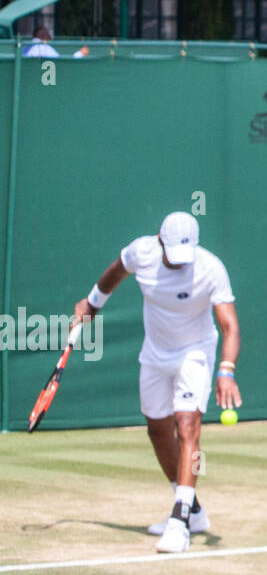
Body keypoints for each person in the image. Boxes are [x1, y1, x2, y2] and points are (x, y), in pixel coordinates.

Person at [71, 212, 240, 554]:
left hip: (195, 353)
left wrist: (226, 369)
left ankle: (179, 522)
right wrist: (92, 303)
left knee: (187, 425)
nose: (179, 264)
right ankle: (193, 510)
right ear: (160, 242)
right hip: (155, 353)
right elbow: (114, 273)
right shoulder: (141, 252)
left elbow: (230, 326)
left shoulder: (210, 268)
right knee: (157, 430)